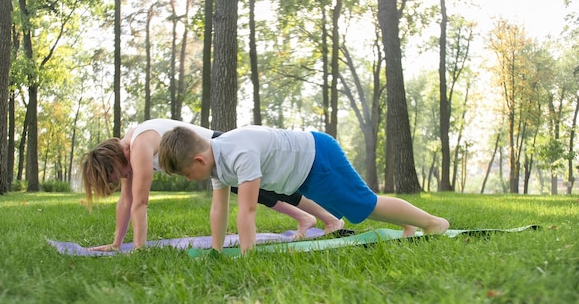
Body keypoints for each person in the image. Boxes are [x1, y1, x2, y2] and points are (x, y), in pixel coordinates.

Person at [158, 125, 450, 254]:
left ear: (199, 159)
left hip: (318, 158)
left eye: (186, 173)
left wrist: (247, 256)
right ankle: (409, 225)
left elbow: (247, 210)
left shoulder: (238, 153)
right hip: (304, 173)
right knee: (355, 208)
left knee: (364, 205)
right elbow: (219, 208)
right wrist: (217, 250)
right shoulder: (217, 162)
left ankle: (434, 223)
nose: (188, 179)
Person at [81, 119, 344, 251]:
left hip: (215, 150)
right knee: (268, 192)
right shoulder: (128, 147)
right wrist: (116, 243)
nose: (124, 178)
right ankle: (307, 219)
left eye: (118, 173)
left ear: (118, 156)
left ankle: (327, 219)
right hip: (206, 155)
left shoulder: (137, 147)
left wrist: (138, 249)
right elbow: (126, 201)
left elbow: (139, 203)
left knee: (272, 188)